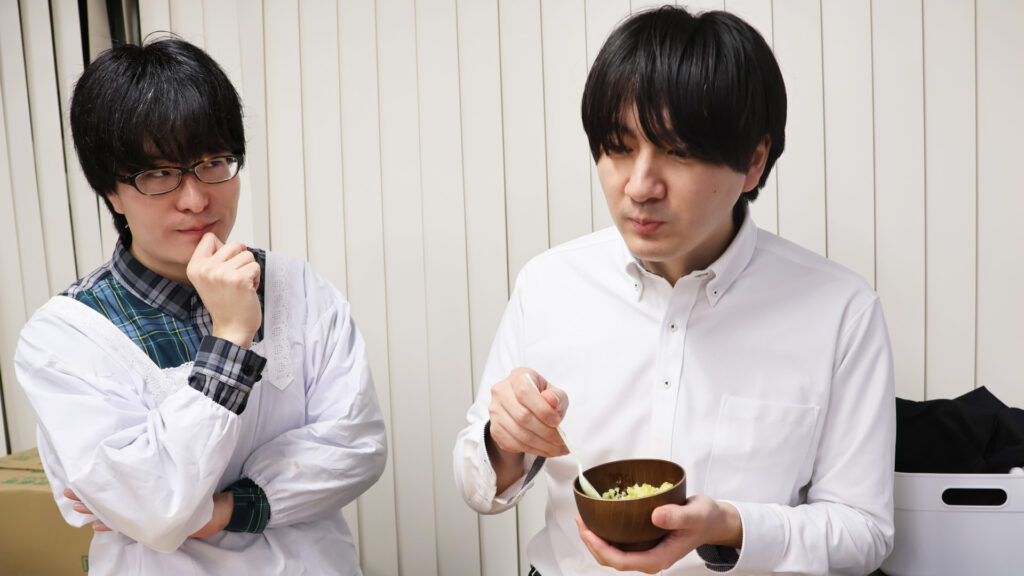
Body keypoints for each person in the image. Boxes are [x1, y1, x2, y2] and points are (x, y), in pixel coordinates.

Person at [453, 6, 895, 576]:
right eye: (618, 148)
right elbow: (477, 485)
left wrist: (732, 526)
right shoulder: (548, 283)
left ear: (754, 160)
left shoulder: (840, 310)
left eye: (678, 152)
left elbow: (864, 529)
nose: (640, 186)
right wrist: (504, 440)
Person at [14, 37, 387, 575]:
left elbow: (356, 447)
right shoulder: (64, 336)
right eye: (159, 173)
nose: (195, 199)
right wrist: (231, 336)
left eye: (212, 162)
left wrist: (217, 510)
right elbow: (154, 507)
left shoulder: (298, 286)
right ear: (110, 191)